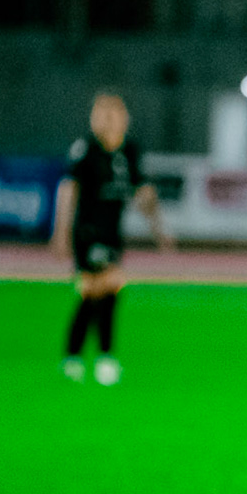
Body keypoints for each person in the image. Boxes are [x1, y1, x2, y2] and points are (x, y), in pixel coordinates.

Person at [49, 92, 172, 384]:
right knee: (107, 290)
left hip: (113, 233)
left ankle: (73, 359)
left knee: (95, 295)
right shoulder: (87, 150)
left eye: (118, 112)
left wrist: (159, 231)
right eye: (107, 113)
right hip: (89, 232)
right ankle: (103, 359)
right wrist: (61, 233)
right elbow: (68, 190)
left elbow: (142, 192)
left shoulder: (129, 151)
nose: (114, 119)